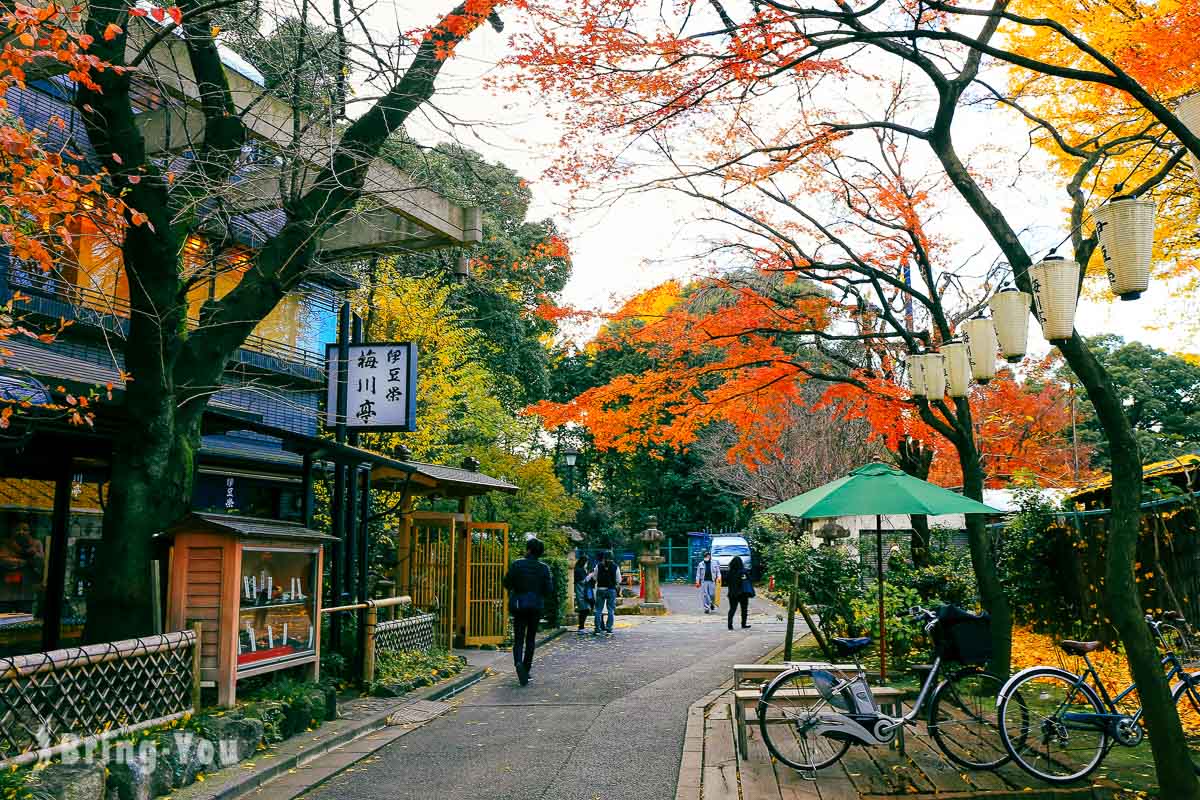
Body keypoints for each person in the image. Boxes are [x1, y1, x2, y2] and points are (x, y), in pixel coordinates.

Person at [502, 537, 553, 686]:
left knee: (518, 638)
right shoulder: (544, 568)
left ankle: (518, 662)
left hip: (519, 605)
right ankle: (526, 668)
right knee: (530, 638)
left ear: (528, 549)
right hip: (535, 605)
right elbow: (549, 590)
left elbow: (506, 582)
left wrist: (517, 589)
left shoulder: (517, 564)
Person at [589, 551, 621, 636]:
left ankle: (597, 629)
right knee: (611, 610)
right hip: (611, 590)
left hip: (600, 589)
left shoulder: (598, 566)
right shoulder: (615, 567)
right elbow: (619, 580)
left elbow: (595, 577)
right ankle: (609, 629)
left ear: (603, 557)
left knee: (598, 610)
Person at [726, 555, 754, 630]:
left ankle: (730, 625)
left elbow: (726, 582)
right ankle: (743, 624)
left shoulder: (729, 572)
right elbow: (749, 580)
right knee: (744, 609)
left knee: (732, 609)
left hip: (732, 594)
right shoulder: (743, 571)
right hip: (743, 593)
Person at [573, 553, 594, 633]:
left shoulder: (579, 569)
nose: (587, 564)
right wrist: (590, 576)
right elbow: (582, 581)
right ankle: (581, 627)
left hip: (582, 592)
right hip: (581, 592)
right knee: (584, 610)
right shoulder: (579, 570)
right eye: (586, 562)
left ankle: (581, 627)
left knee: (584, 609)